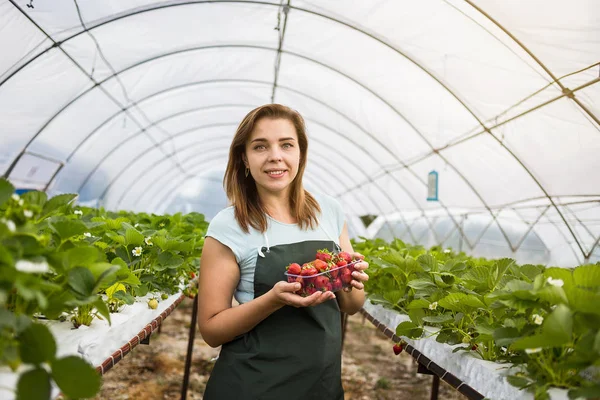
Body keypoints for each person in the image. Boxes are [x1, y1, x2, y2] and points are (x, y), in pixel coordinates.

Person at [197, 104, 369, 400]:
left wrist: (350, 279)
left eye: (286, 144)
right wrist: (272, 301)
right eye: (260, 146)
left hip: (321, 386)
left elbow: (351, 306)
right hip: (252, 386)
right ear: (245, 158)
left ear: (300, 153)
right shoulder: (229, 226)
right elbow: (211, 331)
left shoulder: (328, 212)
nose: (275, 156)